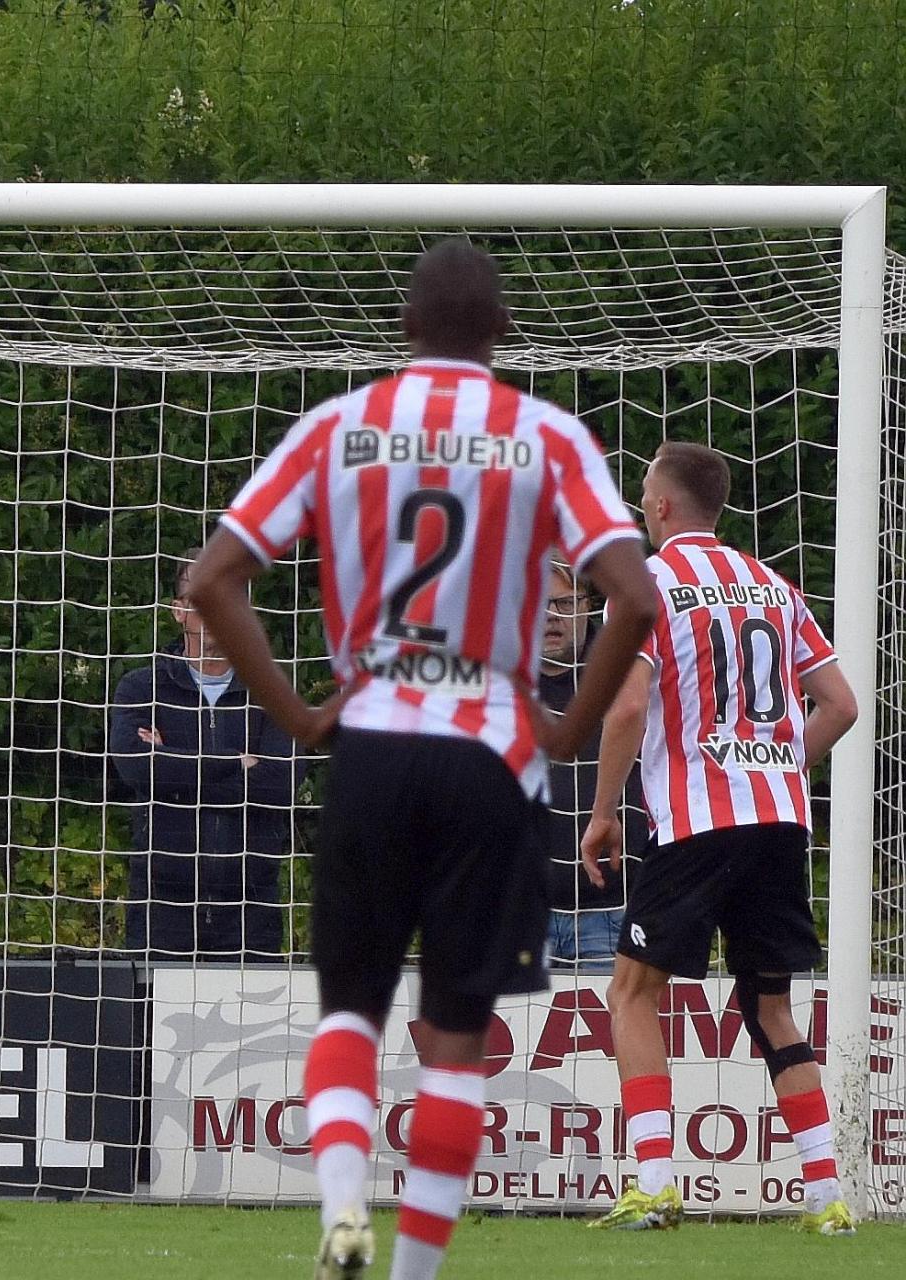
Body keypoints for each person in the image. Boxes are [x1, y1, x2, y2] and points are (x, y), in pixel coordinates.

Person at [188, 240, 656, 1280]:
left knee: (352, 1002)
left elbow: (214, 576)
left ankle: (346, 1204)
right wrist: (570, 727)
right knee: (457, 1032)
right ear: (502, 332)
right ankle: (412, 1275)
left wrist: (305, 715)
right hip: (490, 750)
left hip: (376, 743)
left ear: (403, 326)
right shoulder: (547, 434)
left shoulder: (338, 426)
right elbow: (634, 595)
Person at [582, 441, 860, 1236]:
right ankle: (826, 1199)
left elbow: (628, 710)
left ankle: (658, 1185)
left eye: (643, 493)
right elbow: (838, 703)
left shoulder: (647, 587)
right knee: (772, 1005)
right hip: (778, 821)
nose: (641, 505)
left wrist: (604, 811)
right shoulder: (774, 585)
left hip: (698, 823)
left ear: (663, 507)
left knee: (634, 992)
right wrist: (773, 765)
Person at [109, 549, 302, 961]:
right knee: (150, 1025)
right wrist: (236, 763)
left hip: (251, 912)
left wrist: (173, 764)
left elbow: (280, 783)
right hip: (162, 911)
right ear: (178, 611)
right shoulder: (142, 687)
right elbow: (133, 768)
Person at [539, 561, 646, 968]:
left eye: (564, 603)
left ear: (588, 605)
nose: (551, 615)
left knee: (618, 1030)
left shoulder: (629, 673)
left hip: (614, 914)